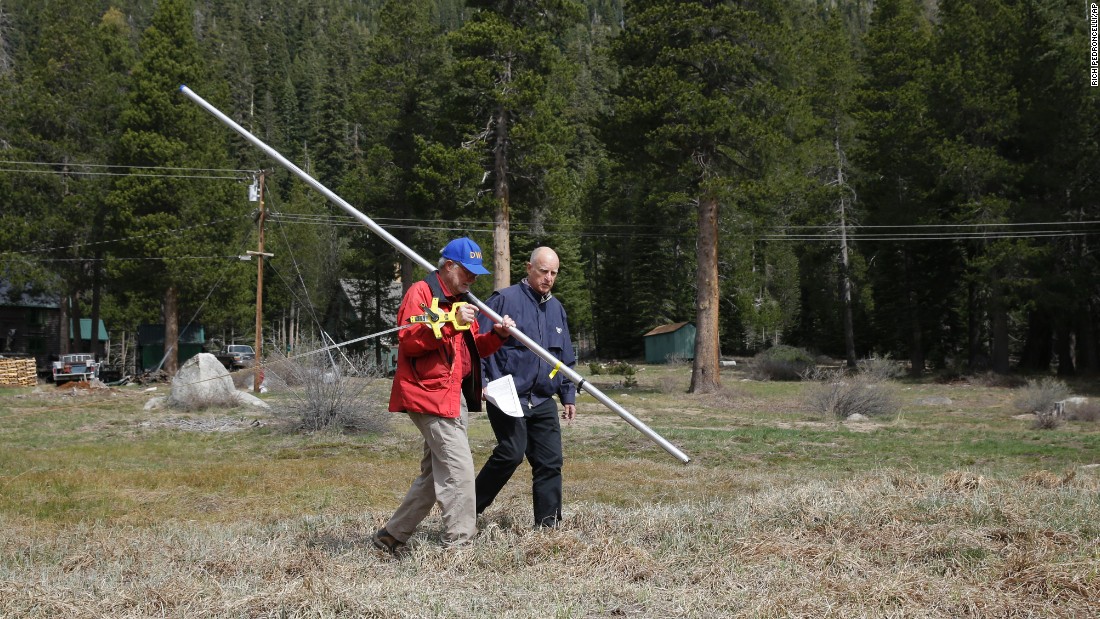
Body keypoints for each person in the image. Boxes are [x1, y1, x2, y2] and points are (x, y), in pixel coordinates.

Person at [373, 237, 516, 556]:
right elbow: (408, 339)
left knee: (435, 473)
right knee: (460, 469)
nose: (473, 279)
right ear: (449, 266)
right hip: (427, 394)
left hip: (453, 396)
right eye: (468, 271)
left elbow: (472, 349)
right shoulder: (422, 293)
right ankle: (460, 546)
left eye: (477, 274)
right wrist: (451, 323)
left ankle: (391, 536)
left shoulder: (460, 300)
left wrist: (498, 336)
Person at [475, 246, 576, 528]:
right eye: (543, 271)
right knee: (511, 453)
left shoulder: (557, 310)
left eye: (553, 273)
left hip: (542, 398)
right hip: (507, 394)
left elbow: (564, 359)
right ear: (528, 267)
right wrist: (481, 383)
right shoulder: (503, 300)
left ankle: (548, 527)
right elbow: (477, 344)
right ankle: (467, 511)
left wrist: (567, 394)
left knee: (550, 462)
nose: (548, 278)